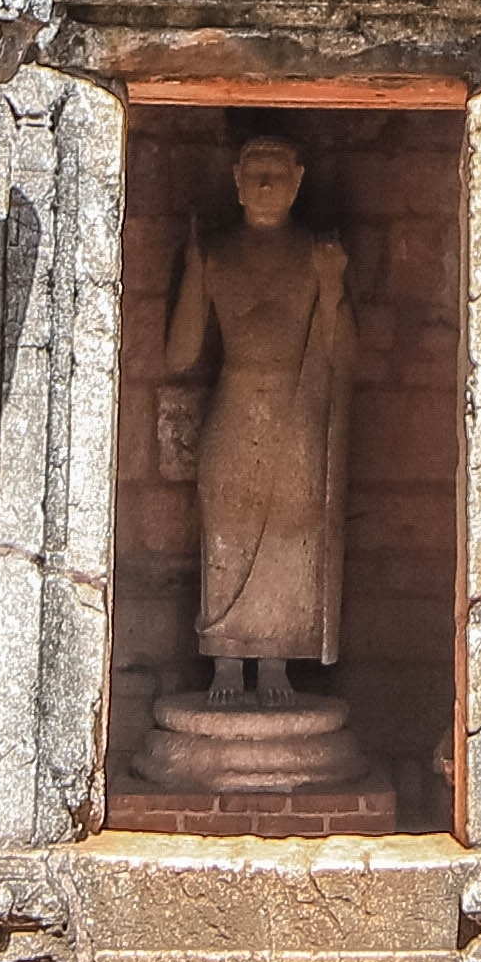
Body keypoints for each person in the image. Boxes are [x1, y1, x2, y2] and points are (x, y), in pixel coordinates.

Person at [153, 124, 352, 694]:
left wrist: (332, 288)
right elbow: (181, 352)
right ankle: (224, 657)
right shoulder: (215, 253)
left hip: (297, 409)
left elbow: (343, 356)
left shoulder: (316, 255)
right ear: (237, 183)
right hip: (235, 403)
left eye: (277, 174)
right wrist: (194, 271)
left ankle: (274, 661)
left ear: (297, 183)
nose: (266, 184)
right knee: (227, 528)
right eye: (256, 174)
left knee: (293, 529)